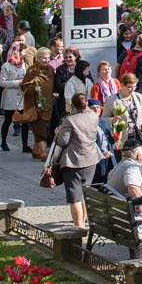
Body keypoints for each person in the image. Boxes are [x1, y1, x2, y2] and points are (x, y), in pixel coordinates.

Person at [47, 90, 105, 229]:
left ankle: (78, 228)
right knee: (84, 193)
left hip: (73, 161)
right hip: (91, 159)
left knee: (75, 198)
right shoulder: (93, 116)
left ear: (72, 105)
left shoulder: (70, 120)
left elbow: (62, 141)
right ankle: (83, 223)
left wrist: (57, 133)